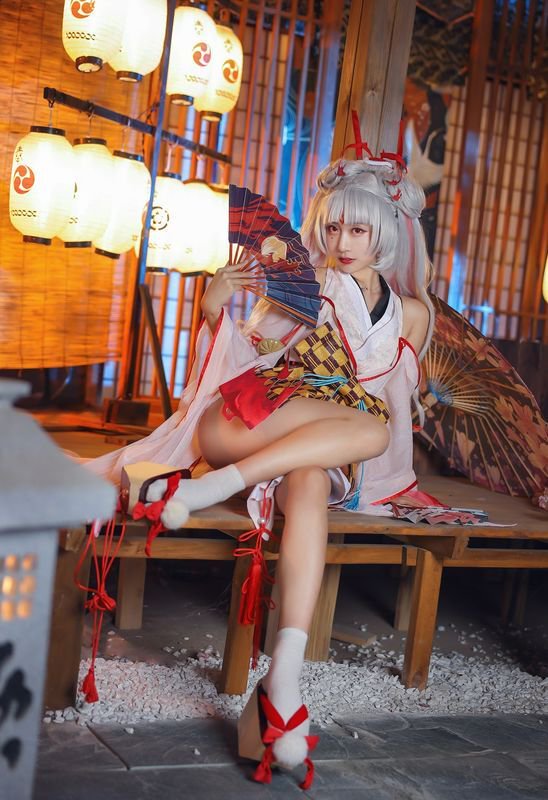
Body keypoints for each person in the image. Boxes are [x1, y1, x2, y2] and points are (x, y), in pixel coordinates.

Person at [85, 154, 433, 787]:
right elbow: (245, 358)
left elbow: (395, 403)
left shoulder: (410, 314)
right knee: (369, 428)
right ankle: (217, 481)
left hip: (316, 452)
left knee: (325, 472)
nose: (342, 241)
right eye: (332, 227)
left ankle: (282, 680)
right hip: (249, 418)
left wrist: (394, 486)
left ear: (385, 231)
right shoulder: (307, 284)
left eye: (358, 230)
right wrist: (212, 308)